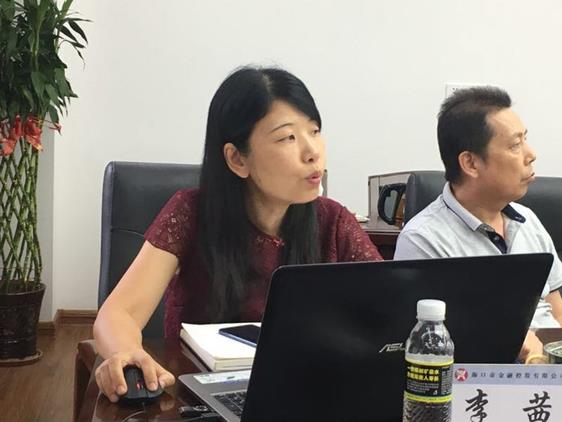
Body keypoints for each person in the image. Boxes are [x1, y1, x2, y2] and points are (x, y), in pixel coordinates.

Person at [93, 66, 383, 402]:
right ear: (237, 159)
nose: (312, 152)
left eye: (314, 131)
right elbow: (119, 313)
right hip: (200, 400)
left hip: (307, 395)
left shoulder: (333, 220)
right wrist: (127, 352)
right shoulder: (191, 213)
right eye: (287, 137)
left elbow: (389, 307)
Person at [394, 86, 562, 364]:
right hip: (489, 378)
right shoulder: (424, 240)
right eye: (515, 145)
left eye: (525, 140)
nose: (530, 154)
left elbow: (556, 309)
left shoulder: (527, 220)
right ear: (470, 163)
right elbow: (432, 344)